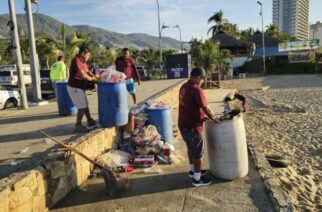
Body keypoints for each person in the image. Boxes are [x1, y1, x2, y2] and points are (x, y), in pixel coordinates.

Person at [178, 67, 220, 187]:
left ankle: (193, 171)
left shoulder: (184, 86)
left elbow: (192, 106)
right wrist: (214, 118)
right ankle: (197, 179)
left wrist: (203, 116)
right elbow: (205, 107)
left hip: (183, 124)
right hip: (192, 127)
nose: (202, 82)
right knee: (198, 154)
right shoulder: (196, 89)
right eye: (202, 79)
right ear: (198, 77)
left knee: (191, 149)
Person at [67, 46, 99, 133]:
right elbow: (83, 75)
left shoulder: (83, 62)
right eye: (88, 55)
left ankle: (89, 120)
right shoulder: (76, 60)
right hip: (75, 87)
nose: (88, 57)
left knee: (85, 104)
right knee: (81, 107)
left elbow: (87, 71)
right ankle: (78, 125)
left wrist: (95, 76)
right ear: (82, 54)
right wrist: (93, 80)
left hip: (80, 88)